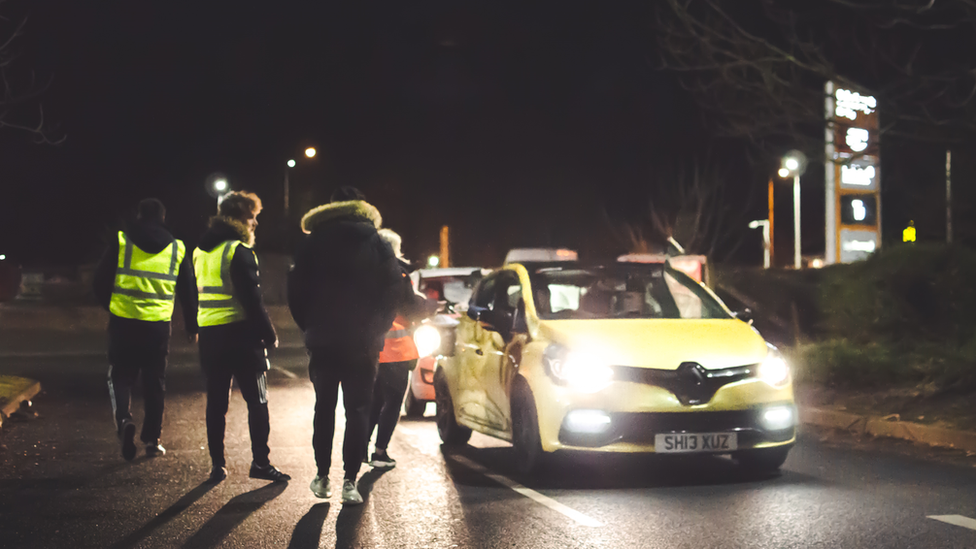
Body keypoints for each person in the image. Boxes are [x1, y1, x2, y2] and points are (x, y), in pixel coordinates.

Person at [288, 186, 402, 505]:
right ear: (362, 207)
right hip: (363, 342)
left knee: (323, 407)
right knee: (359, 409)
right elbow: (394, 288)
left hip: (322, 340)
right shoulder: (377, 242)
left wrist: (309, 325)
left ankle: (322, 476)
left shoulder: (311, 242)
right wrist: (377, 328)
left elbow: (295, 289)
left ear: (330, 206)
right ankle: (350, 482)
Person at [194, 191, 290, 483]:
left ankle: (217, 464)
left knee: (216, 403)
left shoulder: (200, 251)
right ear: (239, 218)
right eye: (252, 217)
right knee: (257, 401)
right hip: (242, 337)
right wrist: (269, 335)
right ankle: (260, 463)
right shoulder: (239, 251)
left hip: (210, 336)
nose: (255, 224)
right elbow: (252, 300)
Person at [94, 198, 198, 461]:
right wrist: (191, 325)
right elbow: (188, 289)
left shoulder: (121, 241)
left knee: (120, 376)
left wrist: (113, 305)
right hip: (158, 325)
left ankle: (124, 420)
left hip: (124, 322)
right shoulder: (177, 248)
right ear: (163, 218)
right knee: (155, 381)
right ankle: (152, 439)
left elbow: (99, 280)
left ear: (139, 215)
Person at [366, 228, 435, 469]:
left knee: (374, 401)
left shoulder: (365, 272)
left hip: (370, 349)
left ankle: (362, 446)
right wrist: (432, 306)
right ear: (394, 249)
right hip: (395, 350)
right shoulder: (398, 274)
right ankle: (380, 451)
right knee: (393, 402)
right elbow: (411, 308)